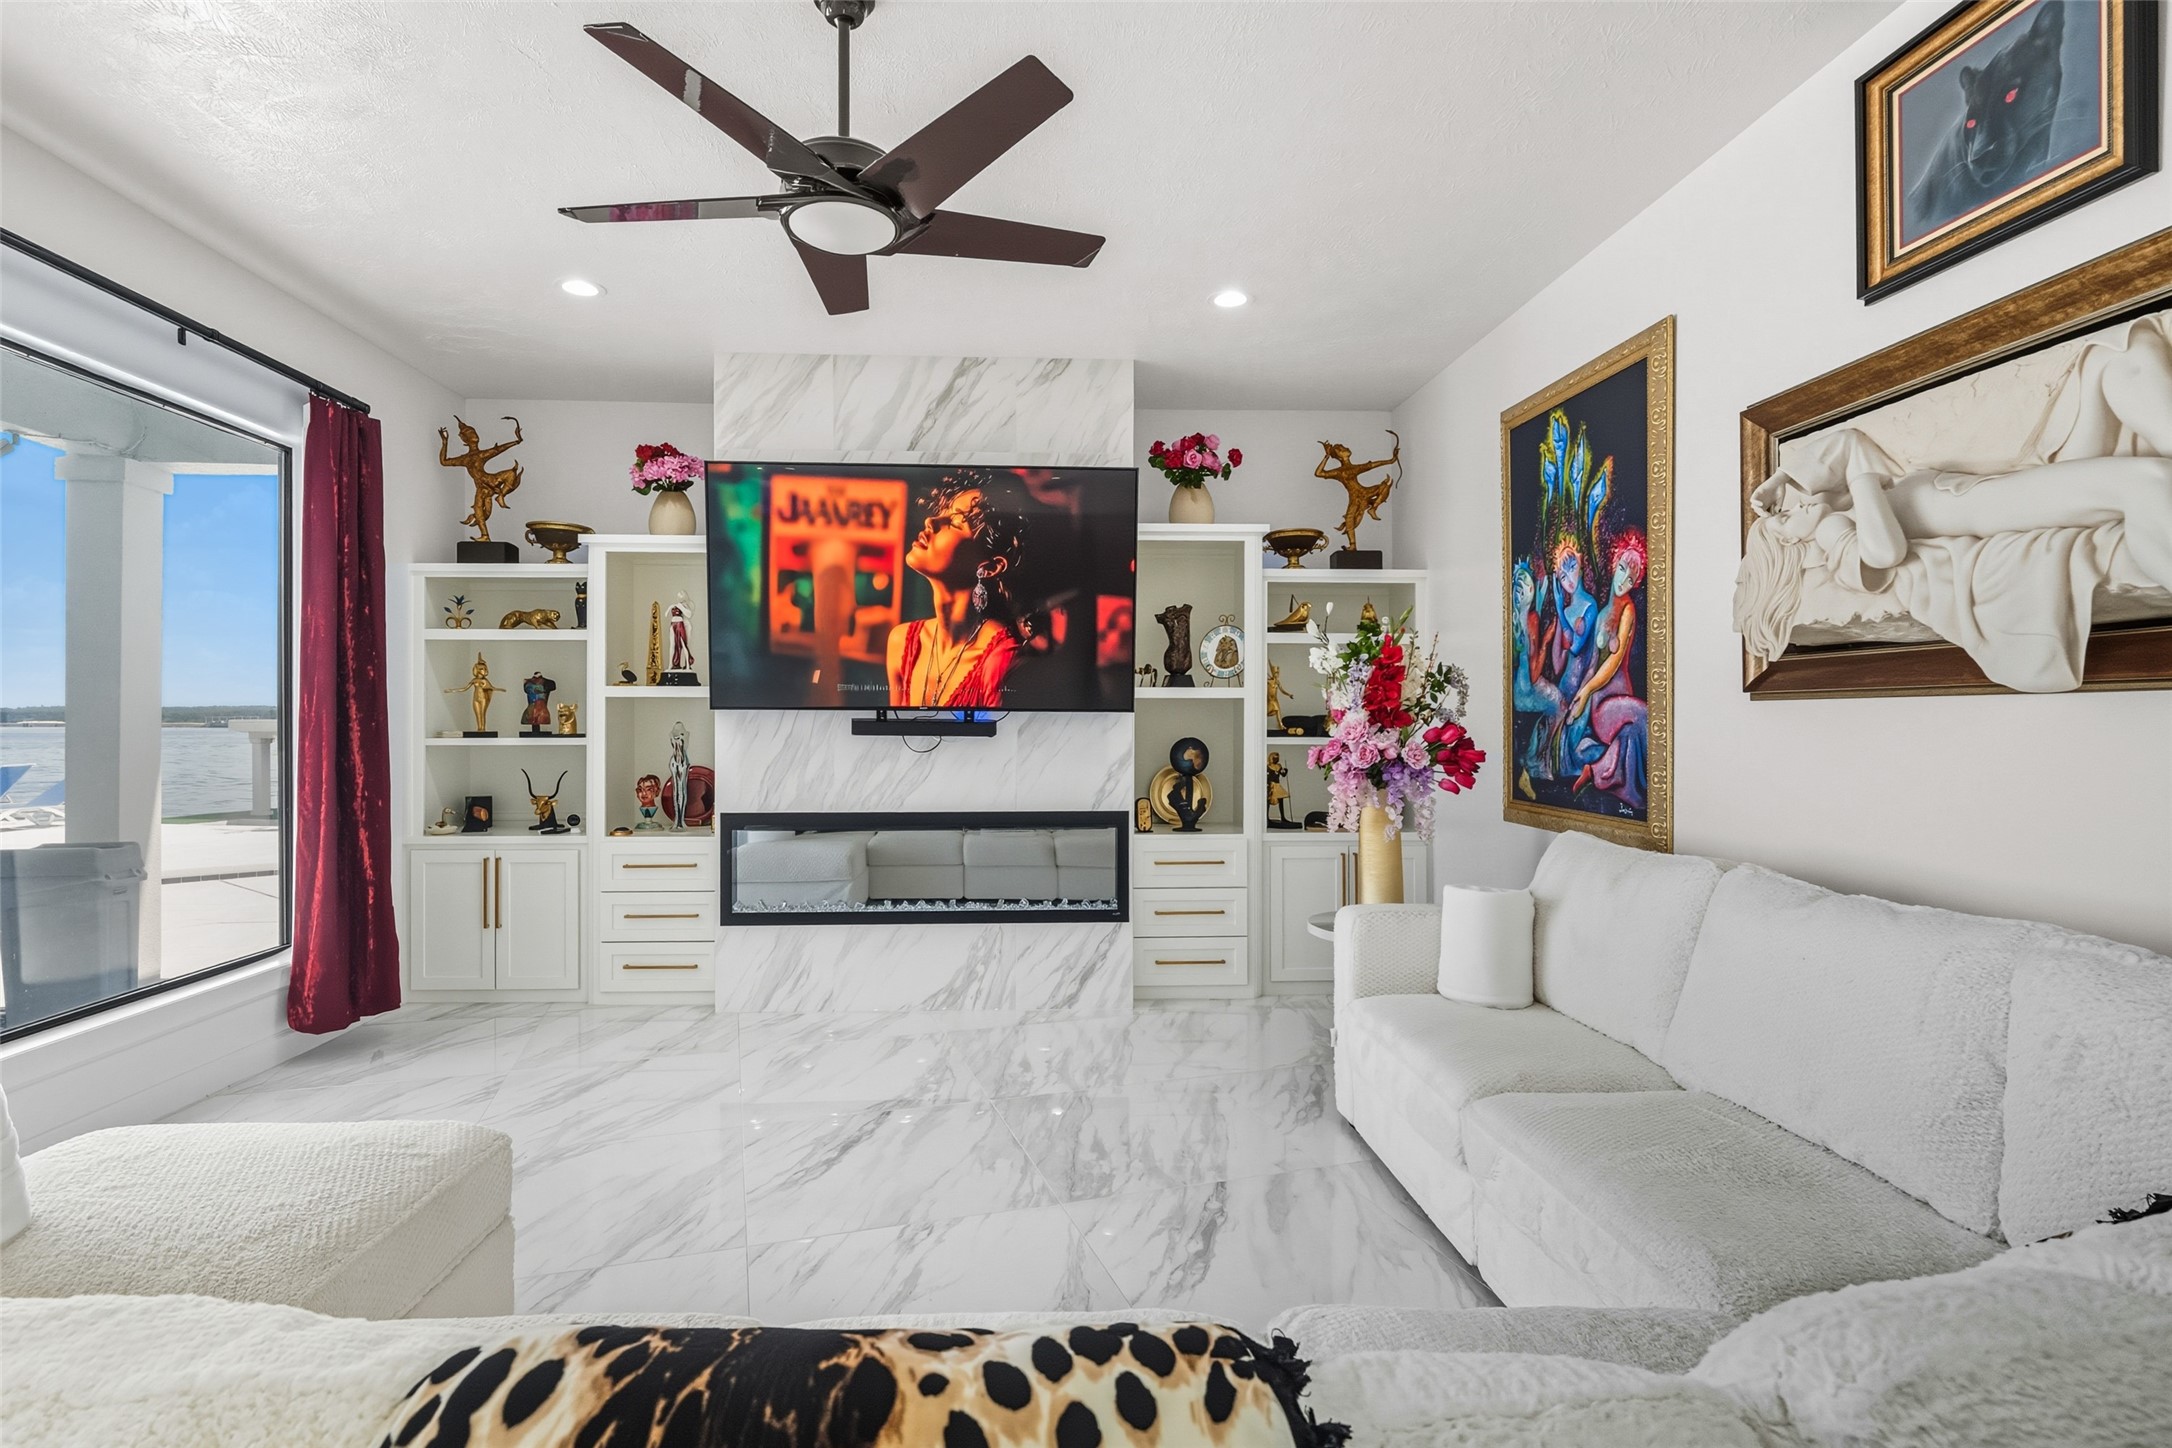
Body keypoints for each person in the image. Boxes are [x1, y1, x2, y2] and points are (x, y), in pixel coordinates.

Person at [885, 474, 1032, 707]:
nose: (931, 522)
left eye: (954, 522)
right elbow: (894, 729)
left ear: (990, 567)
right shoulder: (901, 641)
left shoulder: (1002, 658)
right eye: (942, 512)